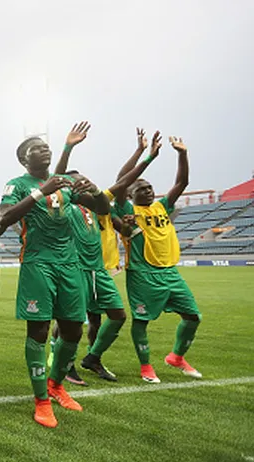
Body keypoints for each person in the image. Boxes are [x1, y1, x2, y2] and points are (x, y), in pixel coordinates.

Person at [0, 133, 111, 428]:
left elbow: (103, 208)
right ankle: (41, 401)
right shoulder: (17, 184)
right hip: (38, 263)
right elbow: (4, 217)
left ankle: (56, 384)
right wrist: (40, 192)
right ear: (24, 159)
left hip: (70, 264)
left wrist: (95, 189)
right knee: (39, 330)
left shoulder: (64, 182)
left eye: (46, 146)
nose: (44, 150)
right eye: (36, 148)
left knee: (73, 329)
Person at [69, 129, 160, 381]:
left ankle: (93, 357)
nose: (85, 183)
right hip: (78, 269)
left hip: (101, 269)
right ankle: (65, 363)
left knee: (107, 318)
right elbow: (122, 181)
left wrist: (128, 227)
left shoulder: (102, 207)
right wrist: (144, 155)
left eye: (86, 180)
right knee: (71, 320)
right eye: (79, 182)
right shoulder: (71, 209)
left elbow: (123, 188)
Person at [114, 136, 202, 383]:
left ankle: (176, 357)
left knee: (193, 316)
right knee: (141, 321)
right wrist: (144, 154)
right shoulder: (128, 210)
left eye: (150, 187)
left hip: (170, 273)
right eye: (141, 189)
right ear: (130, 194)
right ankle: (146, 366)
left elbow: (182, 182)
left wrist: (182, 154)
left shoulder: (162, 206)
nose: (148, 191)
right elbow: (121, 182)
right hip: (142, 273)